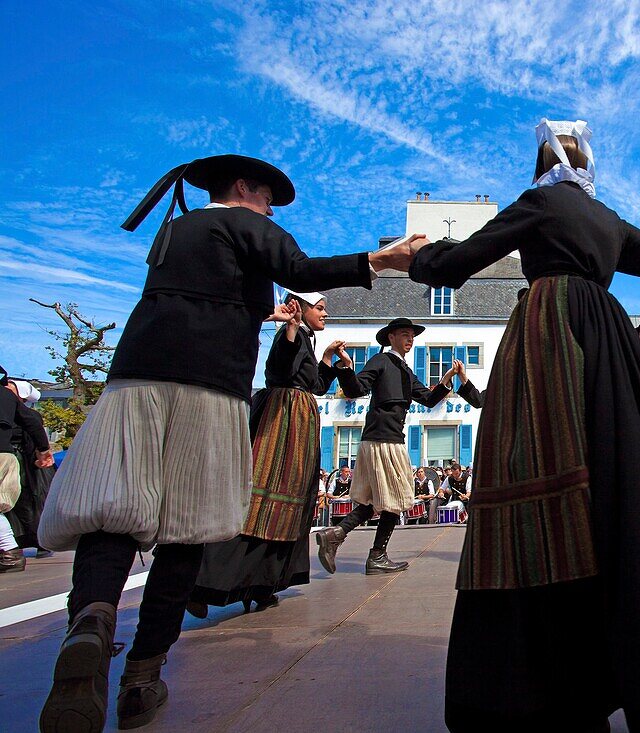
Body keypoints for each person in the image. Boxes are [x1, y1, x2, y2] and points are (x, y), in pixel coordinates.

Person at [408, 118, 640, 732]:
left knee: (539, 480)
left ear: (543, 164)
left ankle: (542, 679)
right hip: (608, 338)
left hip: (547, 337)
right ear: (589, 163)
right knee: (629, 483)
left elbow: (458, 263)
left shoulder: (538, 202)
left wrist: (416, 256)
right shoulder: (606, 218)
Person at [36, 154, 420, 732]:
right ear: (242, 189)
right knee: (186, 528)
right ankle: (142, 677)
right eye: (267, 199)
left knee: (111, 513)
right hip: (209, 384)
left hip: (134, 379)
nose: (269, 210)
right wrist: (379, 260)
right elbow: (302, 267)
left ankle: (91, 617)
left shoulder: (175, 231)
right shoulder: (245, 222)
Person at [187, 292, 357, 618]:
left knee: (289, 505)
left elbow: (316, 386)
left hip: (298, 421)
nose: (325, 313)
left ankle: (263, 585)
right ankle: (204, 583)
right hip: (283, 422)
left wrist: (326, 360)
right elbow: (278, 367)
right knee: (263, 501)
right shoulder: (289, 336)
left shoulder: (306, 340)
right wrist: (291, 330)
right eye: (320, 309)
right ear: (301, 309)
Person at [314, 320, 479, 574]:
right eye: (405, 334)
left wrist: (446, 380)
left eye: (412, 335)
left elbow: (428, 399)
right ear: (391, 337)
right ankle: (373, 553)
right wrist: (346, 366)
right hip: (383, 440)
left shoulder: (405, 370)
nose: (410, 339)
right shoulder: (381, 361)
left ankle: (340, 533)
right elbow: (355, 389)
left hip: (387, 439)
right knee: (398, 497)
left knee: (381, 499)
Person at [1, 366, 53, 573]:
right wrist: (44, 450)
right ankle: (10, 549)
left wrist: (40, 452)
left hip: (23, 464)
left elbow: (31, 424)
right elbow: (31, 422)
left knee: (24, 505)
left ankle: (11, 550)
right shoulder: (8, 398)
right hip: (9, 457)